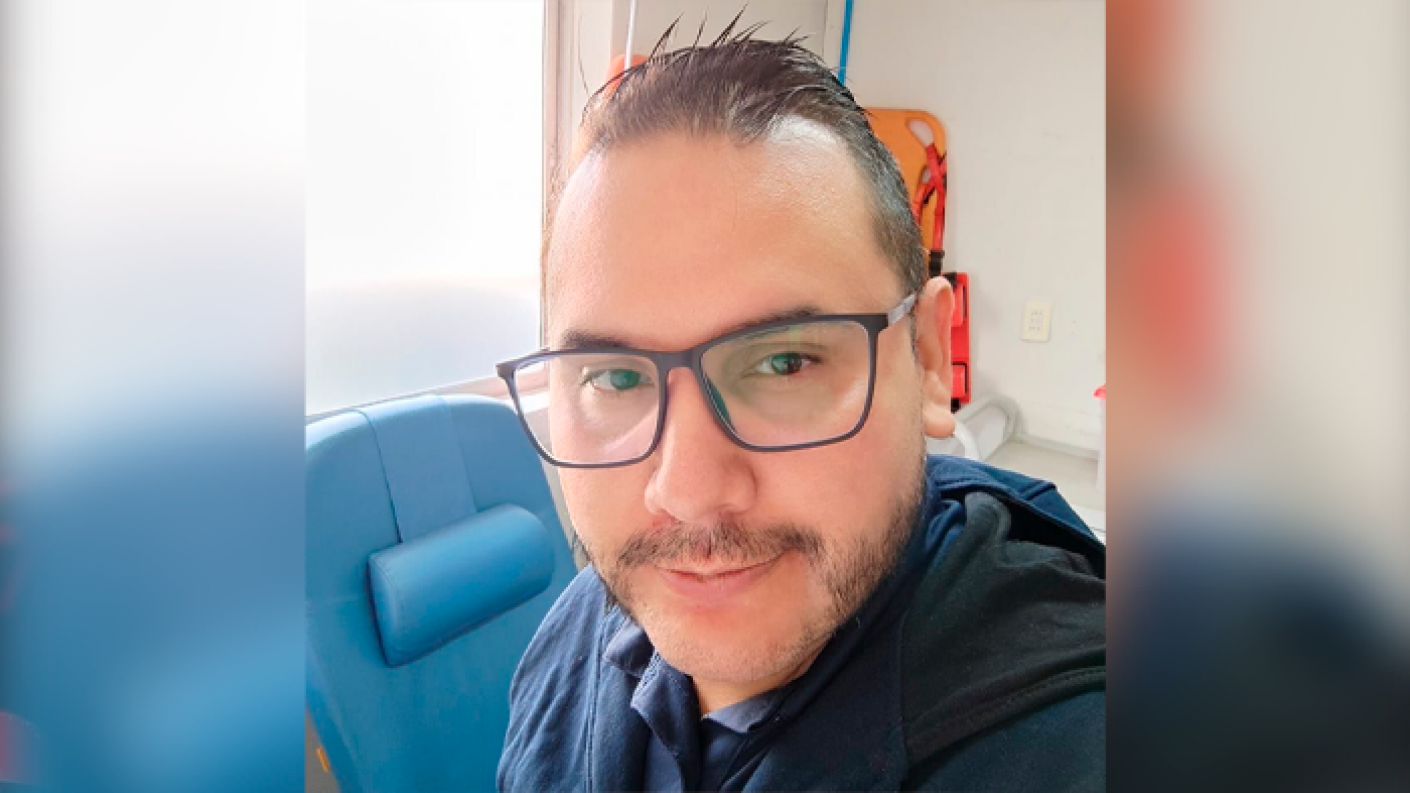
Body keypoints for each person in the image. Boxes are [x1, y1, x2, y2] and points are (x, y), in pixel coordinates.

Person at [496, 26, 1105, 792]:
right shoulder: (572, 634)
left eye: (784, 362)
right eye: (614, 377)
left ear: (925, 357)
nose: (686, 492)